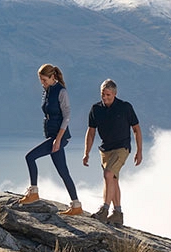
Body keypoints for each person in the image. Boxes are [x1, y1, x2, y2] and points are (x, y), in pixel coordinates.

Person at [20, 64, 83, 216]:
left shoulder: (61, 91)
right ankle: (76, 206)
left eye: (44, 80)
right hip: (52, 135)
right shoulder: (47, 91)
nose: (42, 83)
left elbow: (67, 116)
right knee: (63, 172)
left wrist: (58, 140)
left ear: (52, 77)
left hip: (59, 137)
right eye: (40, 80)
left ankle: (33, 192)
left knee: (30, 157)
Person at [83, 79, 142, 227]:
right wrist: (86, 153)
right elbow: (90, 133)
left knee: (108, 174)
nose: (105, 98)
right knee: (112, 179)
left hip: (122, 148)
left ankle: (104, 209)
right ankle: (117, 214)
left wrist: (139, 151)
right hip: (105, 150)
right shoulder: (96, 109)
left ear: (115, 94)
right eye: (103, 94)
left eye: (108, 95)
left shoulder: (125, 107)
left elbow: (136, 129)